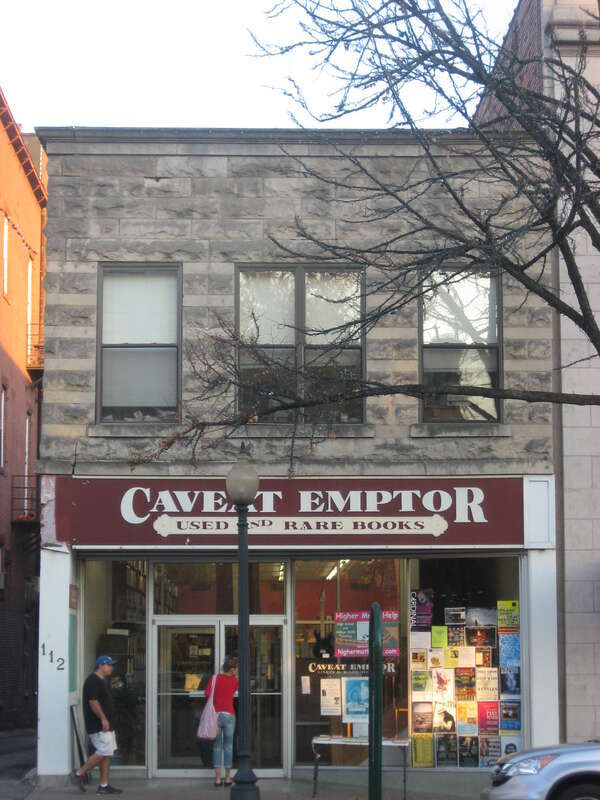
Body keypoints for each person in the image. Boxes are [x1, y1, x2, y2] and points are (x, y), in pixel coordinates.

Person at [71, 655, 122, 795]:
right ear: (101, 665)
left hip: (105, 725)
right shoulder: (93, 681)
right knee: (103, 751)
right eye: (109, 665)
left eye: (112, 665)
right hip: (98, 725)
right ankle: (79, 773)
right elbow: (93, 702)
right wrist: (103, 719)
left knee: (106, 754)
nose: (112, 667)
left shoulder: (102, 681)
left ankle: (104, 786)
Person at [205, 657, 239, 787]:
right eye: (236, 669)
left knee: (217, 746)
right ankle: (228, 778)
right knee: (229, 746)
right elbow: (239, 686)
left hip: (216, 716)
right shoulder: (234, 681)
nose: (237, 671)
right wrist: (236, 676)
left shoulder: (214, 679)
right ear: (231, 670)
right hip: (229, 714)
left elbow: (207, 693)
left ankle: (218, 779)